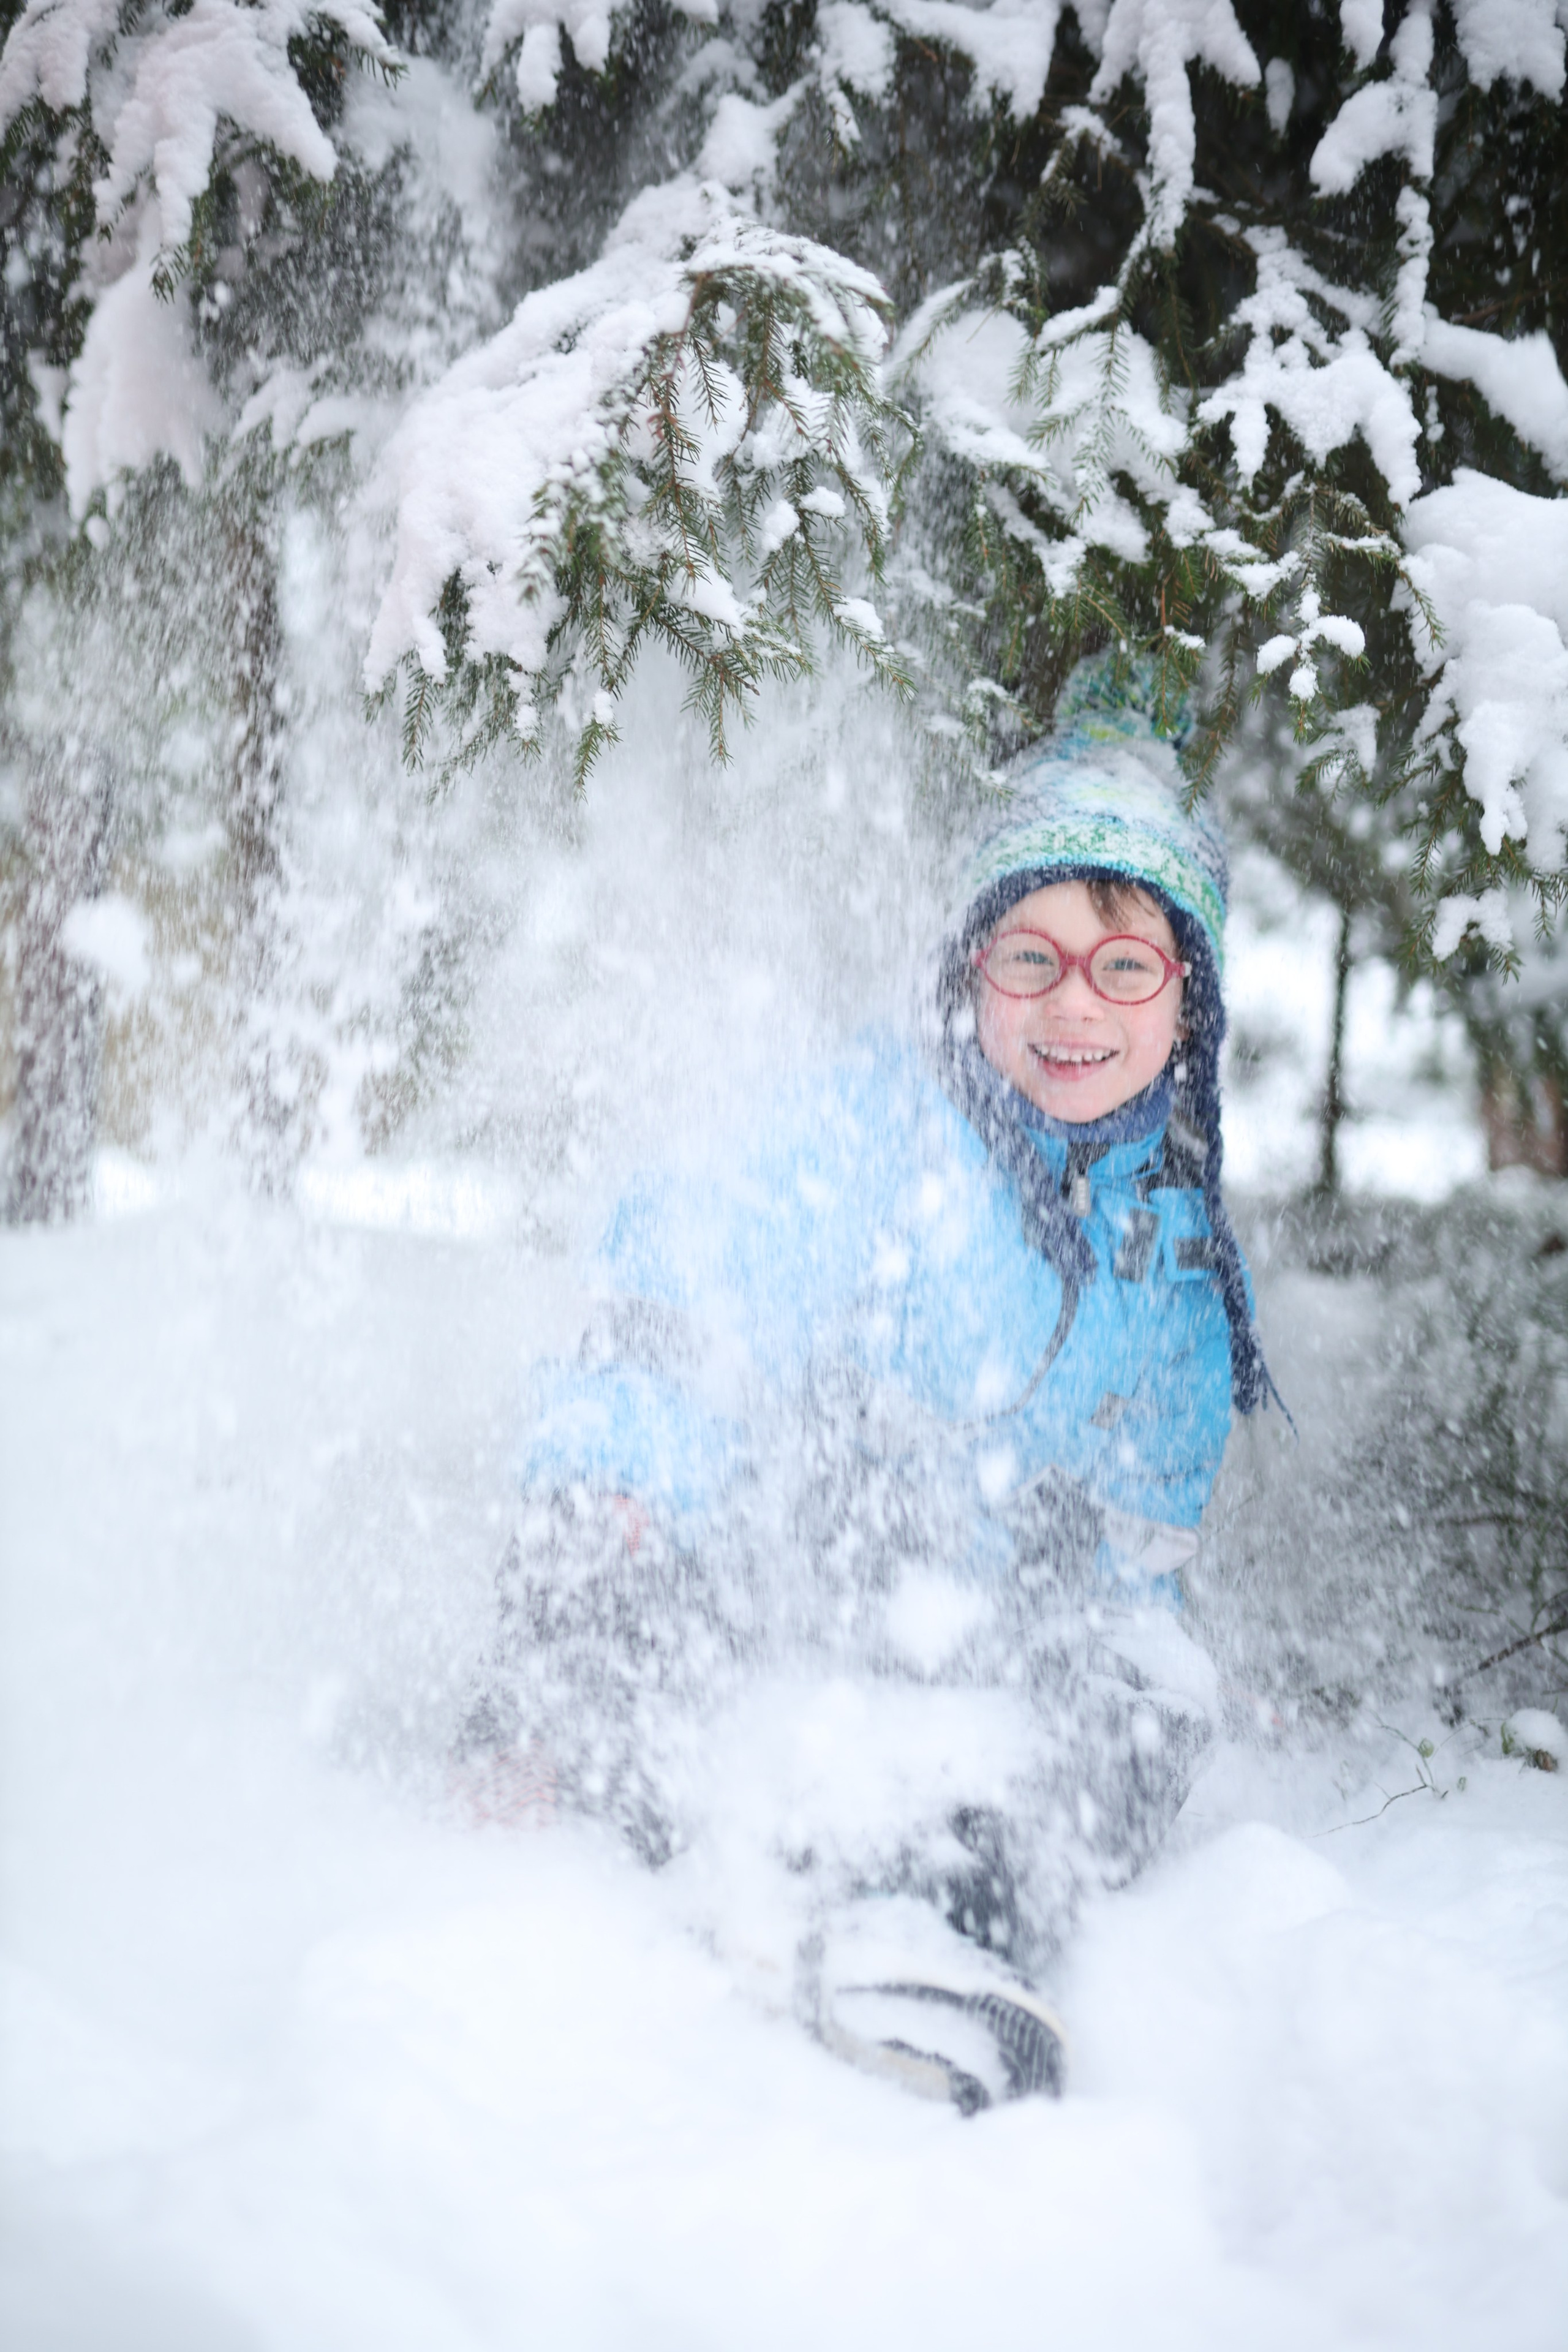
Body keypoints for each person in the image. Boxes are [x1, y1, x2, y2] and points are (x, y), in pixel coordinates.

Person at [456, 654, 1278, 2114]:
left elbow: (1145, 1523)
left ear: (1185, 1002)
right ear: (969, 969)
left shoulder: (1176, 1252)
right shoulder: (869, 1122)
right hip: (814, 1547)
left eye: (1123, 964)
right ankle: (620, 1809)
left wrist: (1099, 1641)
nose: (1069, 1003)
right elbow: (680, 1301)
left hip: (994, 1621)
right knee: (621, 1605)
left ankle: (949, 1918)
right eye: (1025, 955)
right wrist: (614, 1497)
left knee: (1146, 1708)